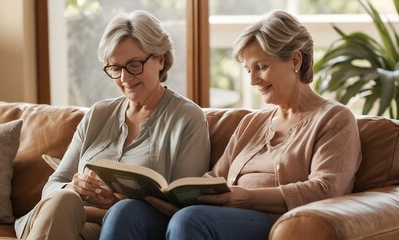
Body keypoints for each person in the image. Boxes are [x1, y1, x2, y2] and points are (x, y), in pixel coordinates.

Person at [99, 10, 362, 240]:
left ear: (295, 61)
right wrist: (177, 197)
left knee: (189, 221)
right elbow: (215, 177)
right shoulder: (253, 122)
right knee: (127, 211)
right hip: (219, 214)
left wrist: (247, 197)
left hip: (273, 220)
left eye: (261, 67)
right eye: (249, 70)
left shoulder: (334, 119)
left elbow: (326, 189)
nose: (253, 80)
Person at [14, 10, 210, 240]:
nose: (125, 78)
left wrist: (116, 202)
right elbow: (53, 186)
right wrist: (73, 187)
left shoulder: (187, 118)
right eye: (115, 68)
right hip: (58, 217)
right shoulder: (99, 114)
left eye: (134, 64)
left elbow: (182, 209)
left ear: (160, 59)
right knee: (64, 198)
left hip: (109, 229)